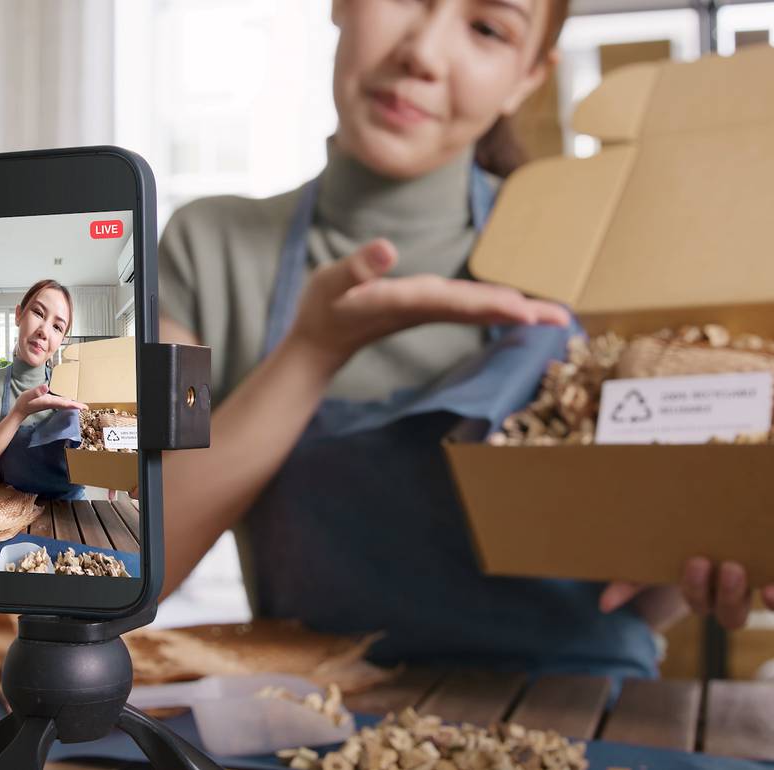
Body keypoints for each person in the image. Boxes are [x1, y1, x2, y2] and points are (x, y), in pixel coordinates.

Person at [153, 0, 765, 678]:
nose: (424, 53)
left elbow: (634, 593)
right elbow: (126, 569)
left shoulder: (607, 251)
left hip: (585, 713)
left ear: (528, 76)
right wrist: (312, 353)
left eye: (486, 28)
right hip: (311, 721)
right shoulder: (202, 247)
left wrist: (708, 554)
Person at [0, 279, 87, 499]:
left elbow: (103, 454)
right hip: (12, 513)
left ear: (61, 340)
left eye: (57, 327)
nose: (44, 332)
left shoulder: (73, 384)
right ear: (19, 314)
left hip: (72, 514)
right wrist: (18, 413)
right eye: (38, 313)